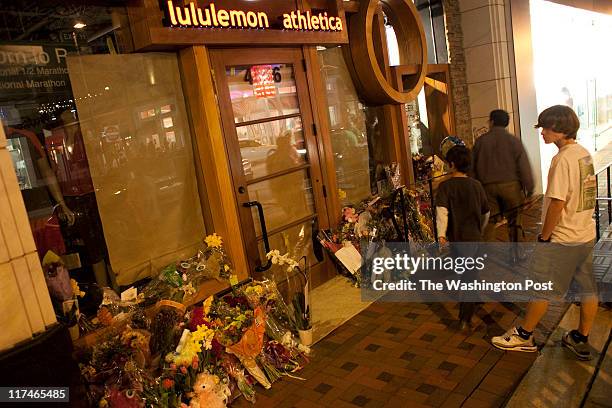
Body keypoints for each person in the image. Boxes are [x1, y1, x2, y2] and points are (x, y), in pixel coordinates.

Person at [492, 105, 598, 360]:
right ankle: (581, 338)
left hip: (563, 237)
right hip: (585, 233)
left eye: (545, 128)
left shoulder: (561, 160)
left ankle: (525, 336)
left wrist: (545, 237)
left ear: (559, 129)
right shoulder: (583, 154)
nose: (542, 133)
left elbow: (557, 203)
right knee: (588, 289)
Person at [435, 145, 490, 330]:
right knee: (470, 273)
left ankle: (465, 317)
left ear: (451, 164)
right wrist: (480, 229)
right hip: (474, 237)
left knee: (466, 274)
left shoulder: (445, 187)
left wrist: (441, 235)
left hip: (457, 238)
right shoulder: (477, 185)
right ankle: (472, 307)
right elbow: (486, 213)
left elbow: (442, 213)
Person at [472, 110, 534, 263]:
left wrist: (476, 188)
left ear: (491, 122)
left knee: (489, 220)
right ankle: (517, 254)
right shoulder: (513, 141)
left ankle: (481, 255)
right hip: (511, 187)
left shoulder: (480, 142)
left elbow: (472, 167)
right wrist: (529, 190)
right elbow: (524, 167)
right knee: (515, 220)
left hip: (487, 187)